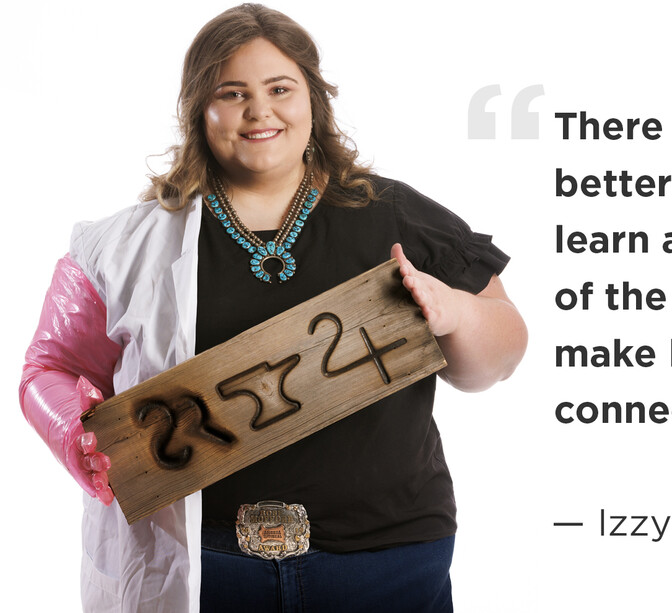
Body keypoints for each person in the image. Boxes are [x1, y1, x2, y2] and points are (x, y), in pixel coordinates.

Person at [18, 4, 527, 611]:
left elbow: (498, 358)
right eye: (232, 93)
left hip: (385, 565)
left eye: (279, 88)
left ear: (313, 97)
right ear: (198, 110)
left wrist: (455, 316)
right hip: (203, 569)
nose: (259, 111)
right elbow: (48, 368)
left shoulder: (396, 215)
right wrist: (73, 433)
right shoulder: (122, 246)